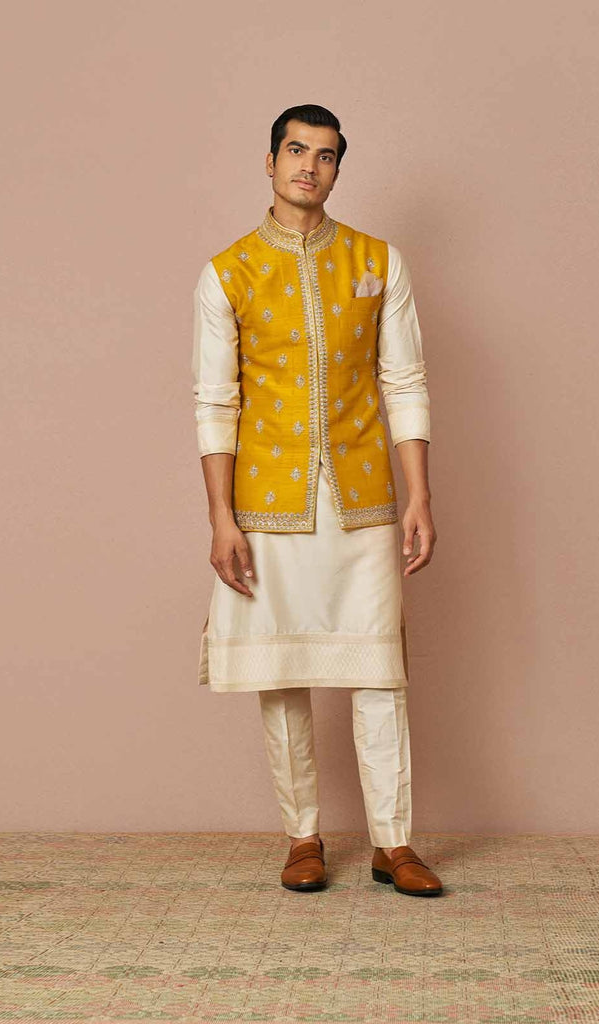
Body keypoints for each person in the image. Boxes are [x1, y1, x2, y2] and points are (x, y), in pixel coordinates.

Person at [191, 103, 442, 897]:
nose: (309, 166)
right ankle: (302, 836)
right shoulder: (227, 271)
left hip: (362, 496)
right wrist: (220, 517)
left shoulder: (378, 261)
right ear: (269, 162)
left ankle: (393, 842)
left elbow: (404, 381)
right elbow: (215, 403)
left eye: (325, 154)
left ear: (337, 168)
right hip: (266, 503)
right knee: (281, 673)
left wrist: (418, 496)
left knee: (379, 672)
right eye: (296, 150)